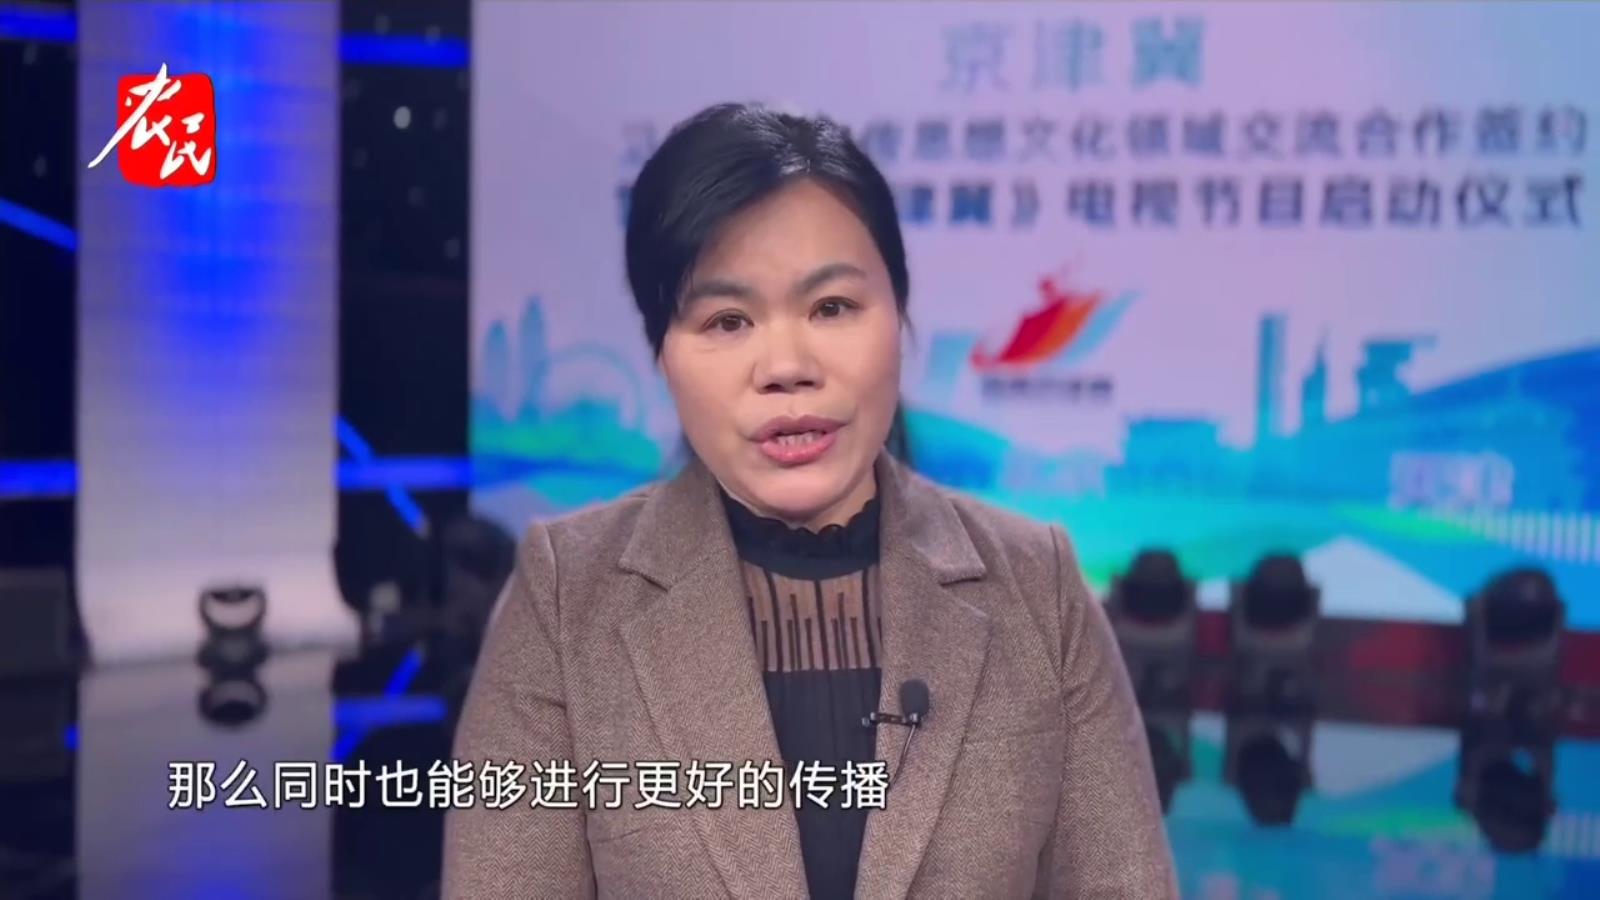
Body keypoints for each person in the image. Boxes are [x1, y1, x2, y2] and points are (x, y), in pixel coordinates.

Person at [442, 102, 1177, 898]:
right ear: (663, 354)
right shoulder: (566, 599)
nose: (786, 366)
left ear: (898, 316)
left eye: (831, 307)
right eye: (728, 320)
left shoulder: (1037, 586)